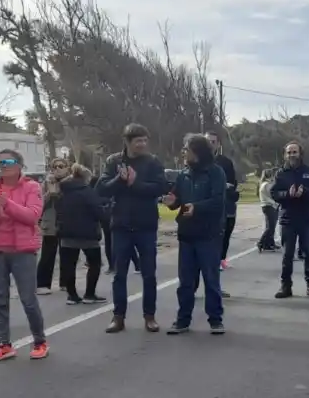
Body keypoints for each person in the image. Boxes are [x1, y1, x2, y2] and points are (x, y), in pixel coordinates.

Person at [0, 149, 49, 363]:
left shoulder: (31, 187)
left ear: (19, 165)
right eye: (0, 162)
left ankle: (40, 341)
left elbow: (32, 216)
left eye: (8, 161)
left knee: (28, 299)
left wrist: (8, 204)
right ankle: (3, 344)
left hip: (22, 252)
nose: (3, 166)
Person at [97, 124, 167, 333]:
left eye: (145, 140)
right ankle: (118, 316)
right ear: (127, 142)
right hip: (121, 224)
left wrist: (135, 183)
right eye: (138, 141)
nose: (142, 145)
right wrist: (120, 179)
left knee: (149, 274)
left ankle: (150, 316)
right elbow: (101, 189)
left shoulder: (152, 162)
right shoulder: (114, 161)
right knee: (119, 274)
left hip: (146, 224)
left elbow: (160, 188)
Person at [165, 134, 227, 334]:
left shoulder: (215, 173)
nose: (184, 152)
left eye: (187, 149)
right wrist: (172, 201)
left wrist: (197, 208)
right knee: (186, 282)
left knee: (211, 280)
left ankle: (216, 319)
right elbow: (177, 199)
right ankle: (182, 320)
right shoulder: (183, 175)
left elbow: (219, 202)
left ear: (198, 152)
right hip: (187, 235)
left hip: (209, 235)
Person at [271, 141, 309, 299]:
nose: (292, 155)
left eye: (294, 152)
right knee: (287, 255)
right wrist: (288, 194)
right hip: (288, 219)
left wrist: (304, 192)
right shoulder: (281, 173)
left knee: (308, 254)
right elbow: (274, 193)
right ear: (285, 155)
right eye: (289, 152)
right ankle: (285, 286)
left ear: (300, 153)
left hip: (306, 218)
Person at [57, 164, 108, 305]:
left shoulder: (62, 191)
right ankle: (89, 294)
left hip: (67, 232)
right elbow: (98, 212)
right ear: (86, 178)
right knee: (94, 264)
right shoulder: (88, 192)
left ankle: (72, 295)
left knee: (69, 265)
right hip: (88, 233)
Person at [36, 158, 69, 294]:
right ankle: (42, 284)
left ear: (67, 168)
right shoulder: (46, 183)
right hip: (50, 223)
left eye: (61, 166)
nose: (58, 169)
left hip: (67, 222)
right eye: (55, 167)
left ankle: (66, 282)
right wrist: (50, 193)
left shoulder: (71, 183)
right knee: (48, 254)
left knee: (67, 253)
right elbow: (39, 204)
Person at [206, 131, 238, 270]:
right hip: (206, 204)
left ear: (218, 144)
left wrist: (223, 185)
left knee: (225, 232)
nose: (211, 145)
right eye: (208, 142)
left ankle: (221, 258)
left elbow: (232, 183)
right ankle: (211, 259)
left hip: (225, 202)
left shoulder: (225, 162)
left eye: (213, 142)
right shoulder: (198, 160)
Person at [257, 168, 278, 251]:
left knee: (270, 226)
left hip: (268, 205)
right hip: (269, 206)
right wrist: (275, 203)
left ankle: (268, 244)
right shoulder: (266, 184)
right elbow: (269, 196)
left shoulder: (265, 183)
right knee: (270, 227)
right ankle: (261, 242)